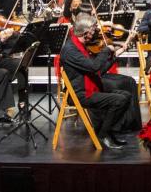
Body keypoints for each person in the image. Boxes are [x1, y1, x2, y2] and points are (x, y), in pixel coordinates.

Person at [59, 12, 141, 148]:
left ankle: (107, 131)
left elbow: (98, 71)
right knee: (119, 100)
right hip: (80, 94)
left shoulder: (79, 46)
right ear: (85, 32)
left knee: (126, 95)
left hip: (88, 88)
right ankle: (103, 134)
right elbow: (94, 66)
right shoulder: (70, 50)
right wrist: (105, 50)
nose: (95, 32)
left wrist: (113, 56)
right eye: (92, 30)